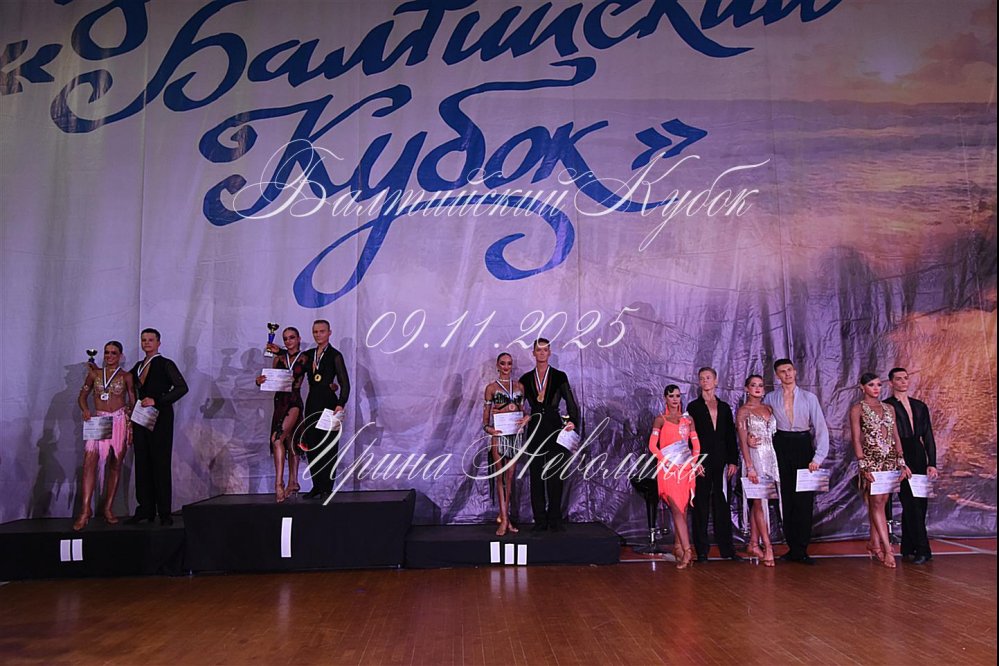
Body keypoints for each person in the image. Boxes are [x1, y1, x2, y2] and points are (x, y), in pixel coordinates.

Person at [763, 358, 829, 564]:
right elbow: (762, 424)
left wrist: (818, 457)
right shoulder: (770, 398)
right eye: (783, 371)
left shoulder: (809, 397)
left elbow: (820, 427)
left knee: (804, 499)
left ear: (795, 371)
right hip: (781, 445)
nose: (787, 374)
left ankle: (801, 548)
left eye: (790, 370)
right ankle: (792, 547)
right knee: (786, 497)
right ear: (777, 376)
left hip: (803, 445)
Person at [127, 328, 188, 526]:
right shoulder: (137, 366)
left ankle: (164, 512)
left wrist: (158, 400)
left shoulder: (165, 364)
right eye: (144, 340)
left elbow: (182, 388)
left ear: (158, 343)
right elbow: (124, 382)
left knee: (160, 463)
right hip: (140, 418)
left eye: (150, 340)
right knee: (142, 462)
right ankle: (145, 509)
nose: (146, 343)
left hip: (160, 417)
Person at [849, 372, 911, 568]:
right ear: (862, 387)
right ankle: (887, 549)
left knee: (882, 502)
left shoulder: (889, 408)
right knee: (876, 503)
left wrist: (901, 460)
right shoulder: (858, 409)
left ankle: (874, 543)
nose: (876, 388)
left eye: (878, 385)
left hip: (890, 460)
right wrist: (863, 464)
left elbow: (895, 436)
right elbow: (856, 438)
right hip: (871, 460)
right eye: (871, 385)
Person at [518, 338, 580, 532]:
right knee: (536, 474)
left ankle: (555, 519)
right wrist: (523, 416)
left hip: (554, 426)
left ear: (550, 353)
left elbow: (570, 402)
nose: (542, 353)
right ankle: (539, 520)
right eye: (539, 350)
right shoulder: (525, 379)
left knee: (554, 473)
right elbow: (519, 406)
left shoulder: (559, 376)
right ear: (533, 353)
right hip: (535, 427)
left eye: (545, 350)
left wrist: (573, 421)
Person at [74, 341, 136, 530]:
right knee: (89, 464)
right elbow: (82, 396)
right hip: (99, 420)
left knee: (115, 464)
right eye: (107, 352)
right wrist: (85, 410)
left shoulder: (126, 376)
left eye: (113, 353)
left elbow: (133, 401)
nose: (109, 356)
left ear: (120, 356)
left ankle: (108, 507)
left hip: (119, 421)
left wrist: (130, 420)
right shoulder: (94, 374)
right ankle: (85, 510)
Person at [884, 367, 937, 564]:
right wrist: (899, 462)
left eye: (906, 378)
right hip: (899, 454)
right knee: (910, 502)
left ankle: (908, 545)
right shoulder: (887, 406)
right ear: (891, 383)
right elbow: (888, 437)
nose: (903, 382)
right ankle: (923, 549)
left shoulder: (919, 406)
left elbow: (928, 435)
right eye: (899, 379)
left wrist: (932, 463)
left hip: (918, 454)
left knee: (920, 503)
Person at [687, 367, 741, 562]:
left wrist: (733, 460)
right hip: (701, 460)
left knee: (723, 503)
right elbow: (689, 437)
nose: (705, 381)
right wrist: (694, 461)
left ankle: (727, 550)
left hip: (721, 460)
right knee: (700, 504)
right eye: (702, 378)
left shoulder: (724, 407)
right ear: (699, 382)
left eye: (708, 378)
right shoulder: (693, 407)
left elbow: (730, 436)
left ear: (716, 381)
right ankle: (702, 551)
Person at [649, 384, 702, 569]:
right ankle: (688, 550)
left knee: (683, 509)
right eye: (671, 396)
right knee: (677, 509)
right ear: (665, 398)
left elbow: (696, 445)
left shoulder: (688, 420)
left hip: (685, 468)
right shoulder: (660, 420)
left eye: (678, 396)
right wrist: (667, 462)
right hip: (668, 469)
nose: (675, 399)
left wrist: (694, 462)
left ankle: (678, 548)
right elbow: (652, 446)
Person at [256, 327, 308, 502]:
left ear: (299, 339)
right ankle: (293, 482)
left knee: (277, 438)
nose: (288, 341)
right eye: (285, 338)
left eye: (292, 337)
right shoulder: (278, 358)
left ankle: (279, 483)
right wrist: (261, 381)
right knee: (290, 440)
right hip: (279, 402)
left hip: (294, 401)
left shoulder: (305, 357)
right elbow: (274, 382)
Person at [300, 319, 350, 500]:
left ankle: (327, 487)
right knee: (312, 446)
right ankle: (316, 486)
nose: (318, 335)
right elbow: (293, 367)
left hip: (329, 405)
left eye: (322, 331)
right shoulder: (308, 355)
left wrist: (340, 403)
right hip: (312, 403)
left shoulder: (335, 355)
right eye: (315, 332)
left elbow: (345, 383)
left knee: (328, 447)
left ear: (329, 333)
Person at [736, 374, 780, 567]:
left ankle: (754, 543)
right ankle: (767, 546)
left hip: (771, 458)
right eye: (753, 385)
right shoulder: (743, 411)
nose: (757, 388)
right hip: (755, 459)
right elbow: (742, 440)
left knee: (761, 502)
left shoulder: (769, 408)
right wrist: (750, 466)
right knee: (759, 502)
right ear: (747, 389)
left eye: (760, 385)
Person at [481, 352, 525, 536]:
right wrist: (489, 429)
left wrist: (526, 418)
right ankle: (505, 520)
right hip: (499, 435)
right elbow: (485, 418)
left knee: (510, 477)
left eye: (509, 363)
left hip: (514, 435)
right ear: (498, 366)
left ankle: (505, 516)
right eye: (503, 363)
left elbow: (522, 411)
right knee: (500, 477)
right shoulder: (491, 388)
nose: (506, 367)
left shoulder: (519, 386)